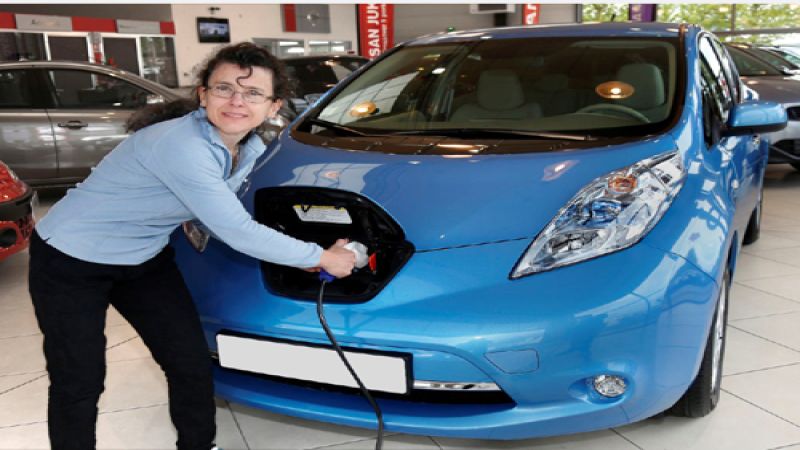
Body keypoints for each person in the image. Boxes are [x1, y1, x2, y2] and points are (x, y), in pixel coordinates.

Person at [27, 42, 356, 450]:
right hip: (71, 258)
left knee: (189, 362)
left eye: (253, 93)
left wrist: (308, 254)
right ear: (203, 95)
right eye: (223, 89)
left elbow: (218, 219)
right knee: (79, 378)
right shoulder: (181, 144)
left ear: (273, 106)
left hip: (143, 256)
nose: (237, 101)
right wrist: (322, 258)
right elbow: (234, 228)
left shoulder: (250, 148)